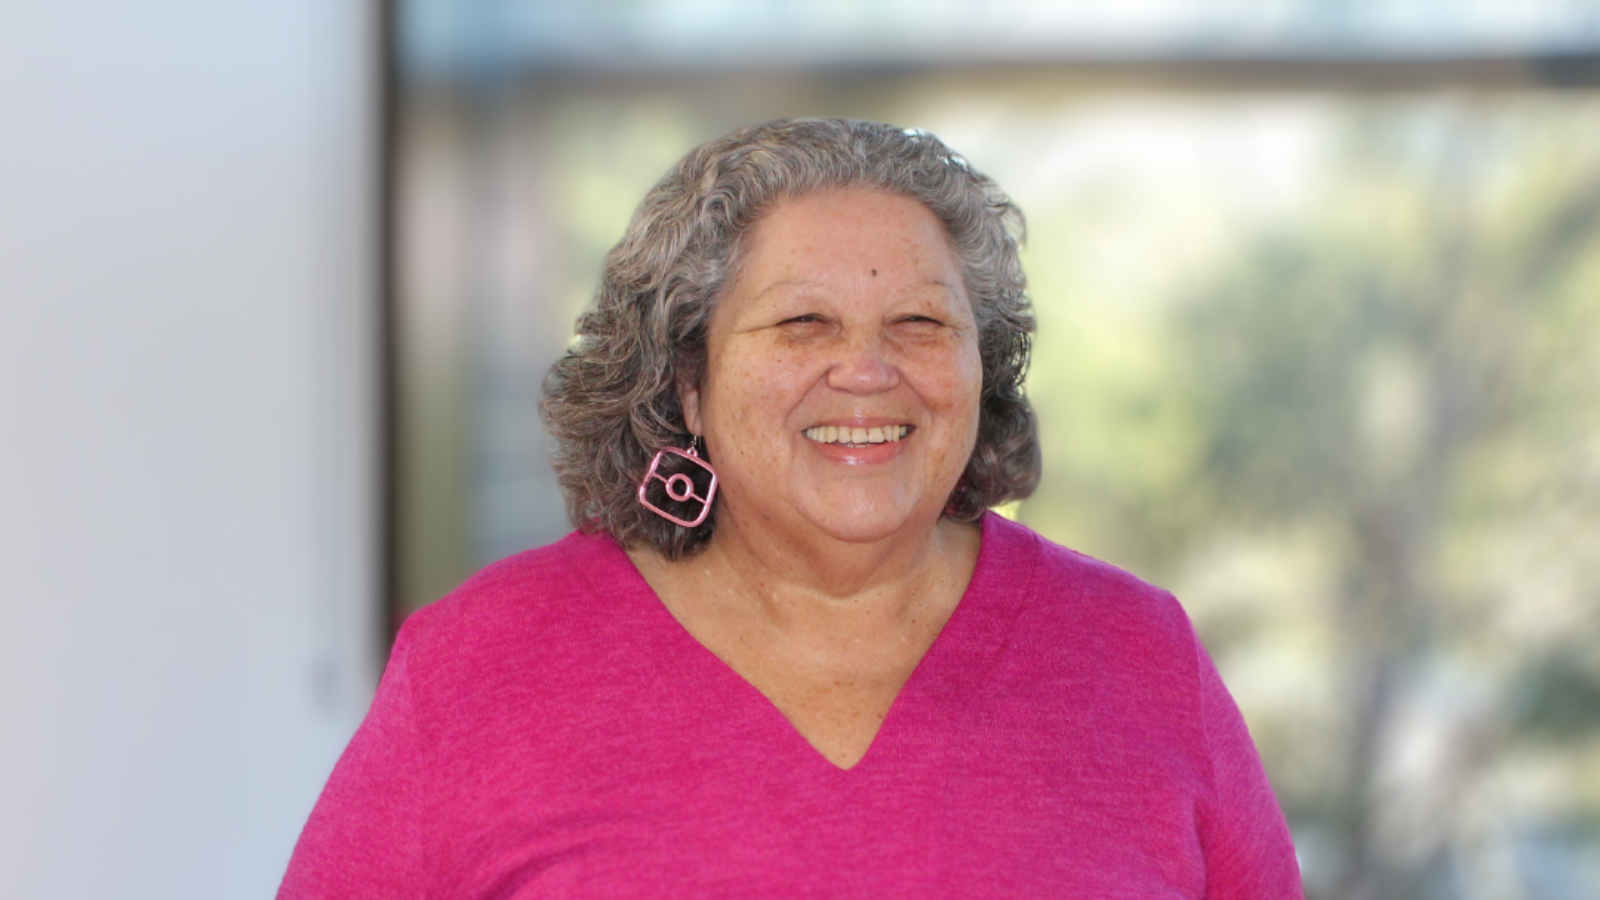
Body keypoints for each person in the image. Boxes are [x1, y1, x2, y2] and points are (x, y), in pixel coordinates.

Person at [278, 118, 1303, 898]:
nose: (865, 370)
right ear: (688, 382)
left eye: (917, 322)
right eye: (802, 323)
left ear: (978, 372)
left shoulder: (1139, 655)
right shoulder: (481, 666)